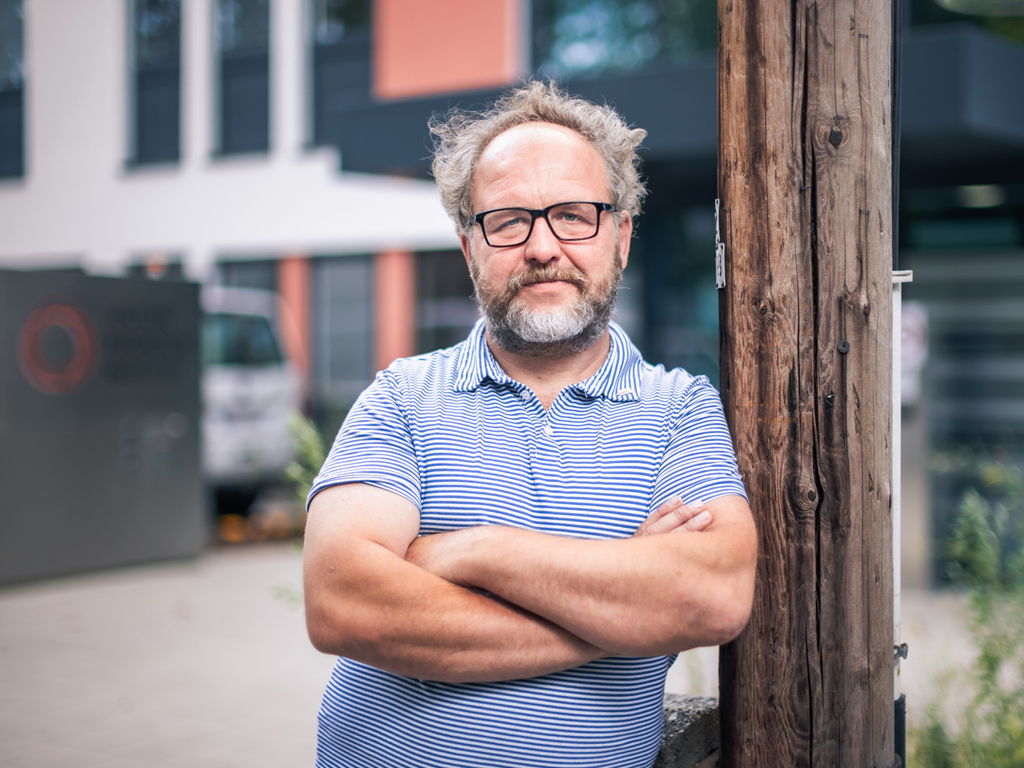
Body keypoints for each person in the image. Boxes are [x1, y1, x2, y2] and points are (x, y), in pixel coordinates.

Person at [302, 80, 757, 768]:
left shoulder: (680, 411)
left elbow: (710, 595)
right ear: (469, 246)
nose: (543, 246)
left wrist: (475, 551)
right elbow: (341, 602)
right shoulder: (401, 396)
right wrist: (627, 616)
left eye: (575, 215)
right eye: (509, 220)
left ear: (622, 236)